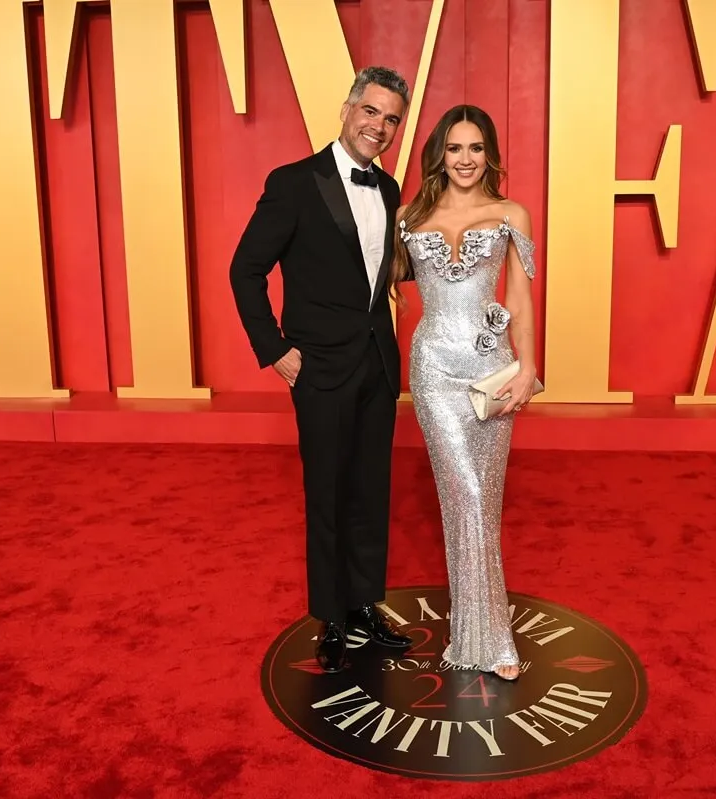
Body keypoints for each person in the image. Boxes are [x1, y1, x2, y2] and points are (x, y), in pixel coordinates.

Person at [229, 67, 415, 674]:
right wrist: (274, 348)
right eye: (370, 111)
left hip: (377, 364)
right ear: (346, 108)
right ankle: (331, 618)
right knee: (328, 492)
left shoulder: (388, 191)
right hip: (319, 368)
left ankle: (364, 605)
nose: (379, 127)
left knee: (370, 492)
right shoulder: (293, 184)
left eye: (390, 118)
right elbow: (245, 270)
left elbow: (386, 273)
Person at [392, 105, 539, 682]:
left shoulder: (511, 215)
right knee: (467, 495)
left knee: (484, 500)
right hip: (433, 371)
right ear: (439, 155)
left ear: (490, 155)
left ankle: (478, 629)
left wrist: (528, 368)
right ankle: (491, 639)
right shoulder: (408, 216)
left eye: (476, 148)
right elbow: (378, 283)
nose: (465, 160)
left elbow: (521, 301)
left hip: (491, 370)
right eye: (455, 149)